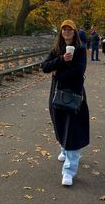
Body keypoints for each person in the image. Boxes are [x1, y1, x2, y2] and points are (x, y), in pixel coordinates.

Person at [42, 19, 89, 187]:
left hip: (74, 95)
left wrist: (58, 73)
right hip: (56, 94)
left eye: (70, 29)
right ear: (61, 32)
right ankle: (64, 147)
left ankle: (69, 170)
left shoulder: (81, 50)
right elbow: (45, 67)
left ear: (74, 32)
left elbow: (78, 72)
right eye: (64, 29)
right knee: (60, 125)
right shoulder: (57, 50)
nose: (67, 32)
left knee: (73, 129)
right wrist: (62, 60)